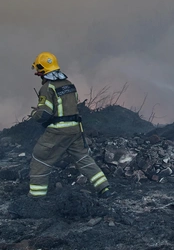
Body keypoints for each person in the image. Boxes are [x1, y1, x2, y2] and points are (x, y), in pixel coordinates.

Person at [28, 52, 113, 198]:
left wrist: (34, 115)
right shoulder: (69, 85)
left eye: (39, 71)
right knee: (82, 158)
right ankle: (104, 188)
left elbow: (45, 114)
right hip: (75, 130)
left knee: (40, 158)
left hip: (58, 131)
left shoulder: (48, 87)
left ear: (42, 70)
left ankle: (36, 197)